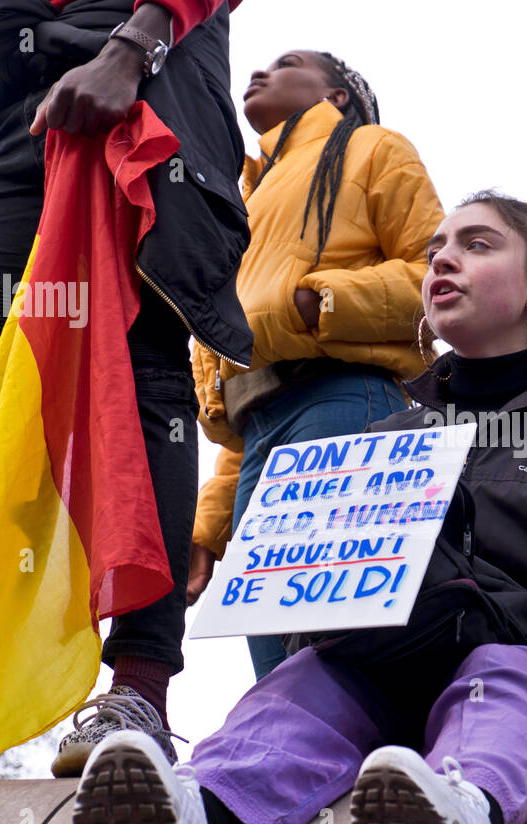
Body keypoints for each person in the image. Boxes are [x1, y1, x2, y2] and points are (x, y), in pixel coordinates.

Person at [70, 192, 527, 824]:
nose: (445, 261)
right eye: (436, 252)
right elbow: (312, 615)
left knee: (499, 669)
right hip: (391, 681)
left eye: (478, 245)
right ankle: (190, 817)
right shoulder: (381, 441)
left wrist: (512, 619)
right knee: (307, 677)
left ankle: (462, 818)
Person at [0, 1, 251, 777]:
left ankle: (140, 687)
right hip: (27, 99)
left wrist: (135, 44)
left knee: (141, 371)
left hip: (148, 84)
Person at [185, 50, 444, 680]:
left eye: (288, 62)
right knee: (274, 656)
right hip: (262, 430)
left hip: (345, 396)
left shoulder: (374, 147)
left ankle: (362, 768)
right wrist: (207, 530)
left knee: (323, 643)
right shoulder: (240, 197)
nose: (260, 71)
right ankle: (289, 773)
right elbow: (259, 391)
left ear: (338, 96)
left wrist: (318, 300)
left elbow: (437, 280)